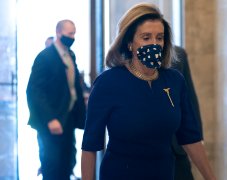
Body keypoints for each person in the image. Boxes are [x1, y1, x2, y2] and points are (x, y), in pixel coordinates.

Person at [81, 3, 216, 180]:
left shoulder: (174, 80)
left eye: (159, 38)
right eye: (146, 38)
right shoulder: (108, 82)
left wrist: (211, 178)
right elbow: (90, 145)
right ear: (129, 43)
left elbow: (190, 137)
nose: (154, 44)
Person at [26, 19, 86, 180]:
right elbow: (34, 91)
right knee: (52, 165)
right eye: (70, 33)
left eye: (74, 33)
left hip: (68, 119)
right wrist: (50, 119)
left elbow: (74, 87)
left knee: (67, 161)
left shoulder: (70, 55)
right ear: (59, 33)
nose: (73, 37)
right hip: (51, 121)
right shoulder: (45, 57)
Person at [171, 45, 203, 180]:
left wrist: (197, 138)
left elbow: (190, 101)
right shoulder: (121, 63)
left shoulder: (178, 55)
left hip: (177, 151)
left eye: (160, 37)